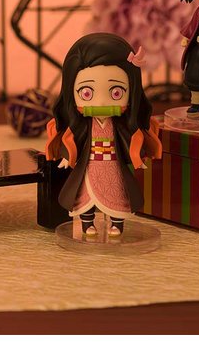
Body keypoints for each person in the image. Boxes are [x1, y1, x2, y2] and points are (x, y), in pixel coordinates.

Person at [45, 33, 162, 238]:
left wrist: (138, 156)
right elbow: (72, 140)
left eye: (116, 92)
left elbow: (131, 140)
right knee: (84, 196)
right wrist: (67, 156)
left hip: (113, 165)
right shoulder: (82, 126)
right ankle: (87, 224)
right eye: (87, 93)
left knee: (117, 195)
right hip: (89, 165)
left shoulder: (122, 126)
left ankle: (116, 224)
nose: (100, 102)